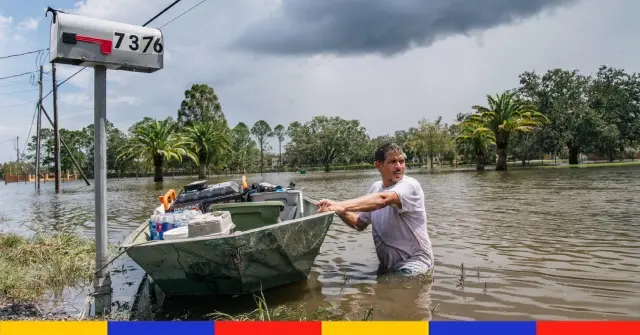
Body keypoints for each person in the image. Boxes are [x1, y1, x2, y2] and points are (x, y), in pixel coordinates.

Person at [317, 143, 434, 276]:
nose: (399, 167)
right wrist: (338, 210)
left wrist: (339, 205)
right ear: (378, 165)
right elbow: (359, 223)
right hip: (387, 266)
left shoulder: (409, 185)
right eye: (392, 162)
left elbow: (383, 200)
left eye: (401, 161)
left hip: (414, 264)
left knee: (387, 291)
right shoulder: (375, 188)